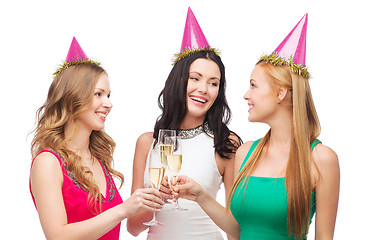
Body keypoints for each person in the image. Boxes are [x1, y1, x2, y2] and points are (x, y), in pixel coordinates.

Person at [172, 14, 340, 240]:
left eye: (253, 86)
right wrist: (201, 195)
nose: (246, 95)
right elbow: (237, 231)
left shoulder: (321, 158)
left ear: (280, 93)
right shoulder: (246, 153)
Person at [29, 37, 164, 240]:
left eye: (109, 95)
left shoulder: (98, 157)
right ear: (72, 98)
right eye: (98, 94)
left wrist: (146, 202)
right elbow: (57, 236)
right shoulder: (48, 162)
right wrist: (123, 209)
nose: (108, 104)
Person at [126, 7, 241, 240]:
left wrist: (201, 196)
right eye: (195, 78)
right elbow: (133, 228)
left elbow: (237, 231)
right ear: (179, 81)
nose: (203, 89)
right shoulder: (147, 143)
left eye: (213, 83)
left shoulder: (226, 143)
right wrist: (156, 197)